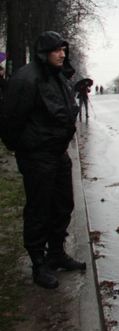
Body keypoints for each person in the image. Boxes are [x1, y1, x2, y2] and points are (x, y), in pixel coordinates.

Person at [0, 32, 84, 289]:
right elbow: (10, 121)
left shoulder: (57, 75)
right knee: (39, 210)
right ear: (43, 53)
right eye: (56, 50)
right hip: (37, 156)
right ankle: (39, 264)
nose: (61, 54)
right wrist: (26, 148)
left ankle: (56, 253)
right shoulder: (26, 79)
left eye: (63, 50)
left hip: (58, 154)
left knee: (63, 205)